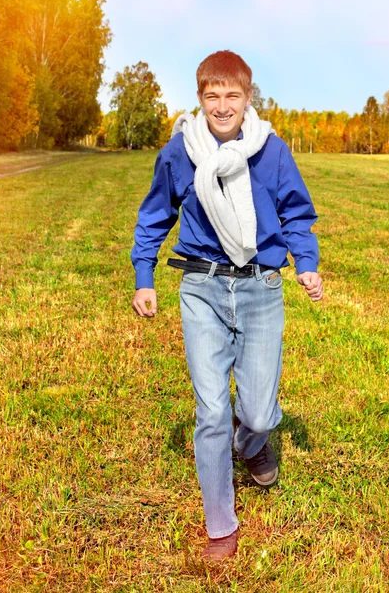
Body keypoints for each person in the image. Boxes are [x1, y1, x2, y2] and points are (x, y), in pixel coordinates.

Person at [131, 50, 322, 561]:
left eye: (231, 95)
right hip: (202, 286)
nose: (221, 106)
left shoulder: (272, 152)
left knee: (257, 412)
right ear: (199, 99)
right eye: (211, 96)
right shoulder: (179, 152)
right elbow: (154, 215)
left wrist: (305, 262)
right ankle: (221, 524)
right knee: (212, 410)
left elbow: (296, 212)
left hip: (261, 288)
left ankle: (254, 442)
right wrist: (143, 276)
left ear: (247, 98)